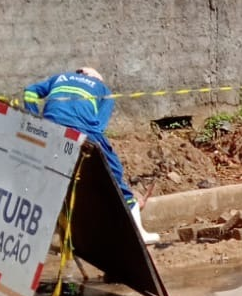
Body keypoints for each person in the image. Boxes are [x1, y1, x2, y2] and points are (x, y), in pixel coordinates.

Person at [23, 68, 160, 244]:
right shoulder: (103, 90)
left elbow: (29, 92)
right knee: (113, 172)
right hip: (83, 132)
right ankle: (137, 229)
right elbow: (98, 127)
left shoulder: (59, 78)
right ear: (97, 79)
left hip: (50, 129)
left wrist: (35, 120)